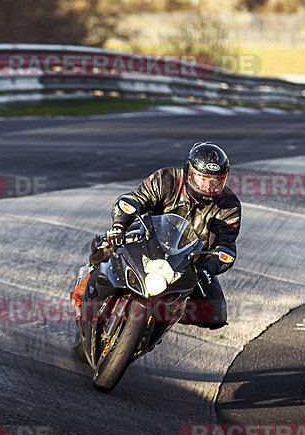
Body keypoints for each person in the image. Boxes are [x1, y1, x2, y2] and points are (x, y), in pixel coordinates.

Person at [73, 141, 241, 330]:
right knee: (108, 245)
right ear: (189, 173)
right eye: (202, 178)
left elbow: (226, 245)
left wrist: (207, 269)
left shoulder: (229, 205)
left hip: (190, 260)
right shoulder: (166, 178)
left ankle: (162, 320)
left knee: (216, 314)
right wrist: (120, 225)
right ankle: (86, 281)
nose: (208, 186)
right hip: (148, 237)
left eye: (215, 181)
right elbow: (133, 199)